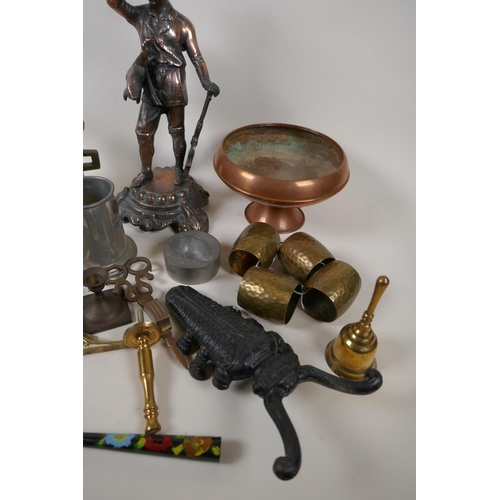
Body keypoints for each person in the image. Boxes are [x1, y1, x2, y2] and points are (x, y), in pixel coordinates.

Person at [107, 0, 220, 187]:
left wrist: (205, 81)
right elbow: (116, 4)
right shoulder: (140, 15)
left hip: (174, 83)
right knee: (143, 130)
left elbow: (197, 57)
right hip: (151, 82)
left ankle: (178, 170)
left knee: (177, 131)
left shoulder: (183, 24)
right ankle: (146, 171)